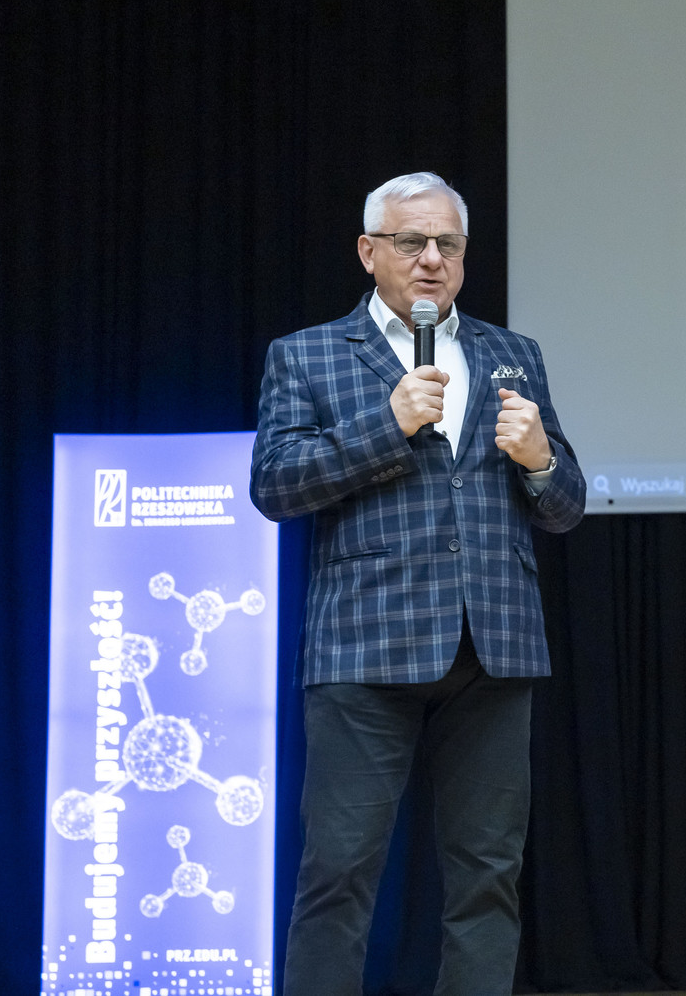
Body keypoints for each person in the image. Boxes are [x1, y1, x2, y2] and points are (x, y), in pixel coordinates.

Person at [249, 172, 585, 995]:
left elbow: (566, 508)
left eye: (448, 244)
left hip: (493, 645)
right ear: (370, 252)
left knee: (487, 876)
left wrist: (541, 459)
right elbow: (275, 486)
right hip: (366, 648)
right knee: (338, 873)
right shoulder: (309, 353)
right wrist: (387, 424)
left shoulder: (513, 355)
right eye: (411, 242)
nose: (432, 259)